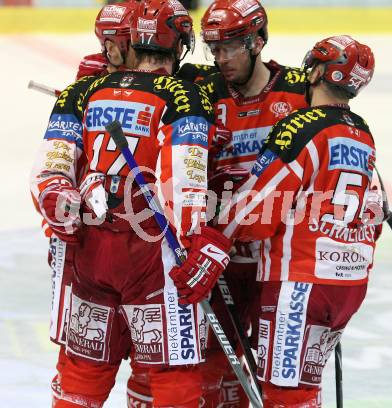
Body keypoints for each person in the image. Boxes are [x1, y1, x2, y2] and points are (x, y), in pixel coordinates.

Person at [30, 0, 232, 406]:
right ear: (178, 44)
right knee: (172, 369)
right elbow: (184, 185)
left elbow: (50, 175)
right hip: (152, 256)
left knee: (82, 369)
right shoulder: (183, 95)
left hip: (89, 252)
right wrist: (197, 244)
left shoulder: (80, 90)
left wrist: (62, 205)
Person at [217, 35, 380, 407]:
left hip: (301, 284)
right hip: (348, 283)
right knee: (305, 389)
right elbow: (373, 211)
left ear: (319, 71)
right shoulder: (363, 132)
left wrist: (214, 237)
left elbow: (258, 209)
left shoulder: (300, 127)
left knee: (284, 395)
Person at [196, 1, 309, 405]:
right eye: (214, 49)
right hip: (218, 254)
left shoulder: (299, 90)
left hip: (278, 258)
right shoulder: (202, 91)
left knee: (278, 371)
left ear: (258, 41)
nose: (221, 59)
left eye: (231, 48)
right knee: (212, 365)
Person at [29, 1, 138, 405]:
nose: (111, 51)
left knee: (156, 371)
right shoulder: (86, 82)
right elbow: (54, 159)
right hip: (88, 246)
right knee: (82, 366)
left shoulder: (171, 86)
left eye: (119, 42)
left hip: (148, 249)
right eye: (105, 42)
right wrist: (56, 195)